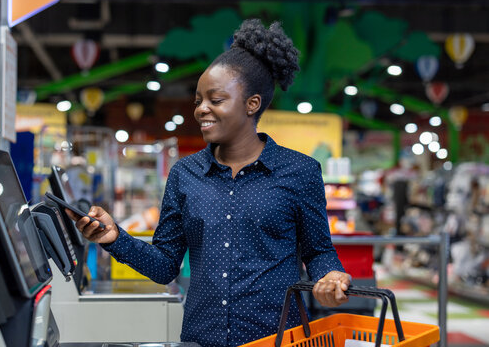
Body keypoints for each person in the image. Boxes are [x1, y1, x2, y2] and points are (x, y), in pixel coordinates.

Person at [66, 19, 351, 347]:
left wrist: (330, 276)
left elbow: (318, 250)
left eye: (215, 100)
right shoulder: (185, 174)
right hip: (202, 339)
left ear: (251, 104)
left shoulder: (299, 171)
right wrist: (115, 238)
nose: (201, 109)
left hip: (277, 339)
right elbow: (165, 266)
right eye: (198, 100)